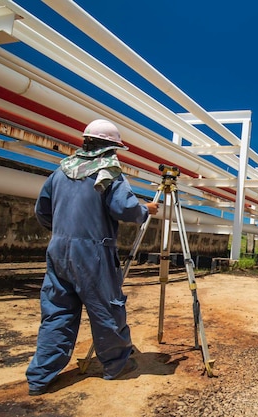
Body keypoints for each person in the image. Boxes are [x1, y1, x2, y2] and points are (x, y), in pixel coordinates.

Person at [26, 119, 159, 395]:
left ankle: (40, 378)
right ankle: (115, 366)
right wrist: (145, 209)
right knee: (107, 310)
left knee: (57, 313)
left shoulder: (61, 172)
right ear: (111, 147)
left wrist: (64, 231)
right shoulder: (108, 171)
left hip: (59, 249)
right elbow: (124, 208)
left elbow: (42, 210)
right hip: (94, 252)